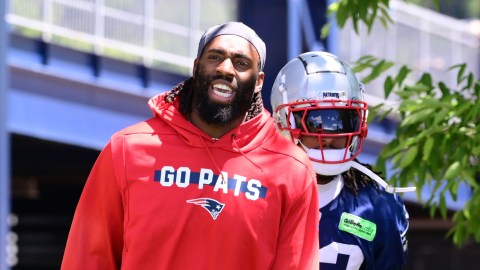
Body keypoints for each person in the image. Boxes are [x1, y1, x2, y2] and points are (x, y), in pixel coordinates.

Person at [61, 22, 319, 270]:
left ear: (259, 81)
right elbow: (88, 257)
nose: (225, 69)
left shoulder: (290, 168)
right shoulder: (127, 150)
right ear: (196, 67)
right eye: (215, 57)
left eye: (241, 63)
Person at [270, 51, 416, 269]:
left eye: (342, 120)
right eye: (317, 121)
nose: (329, 135)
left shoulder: (378, 205)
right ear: (283, 121)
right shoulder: (256, 191)